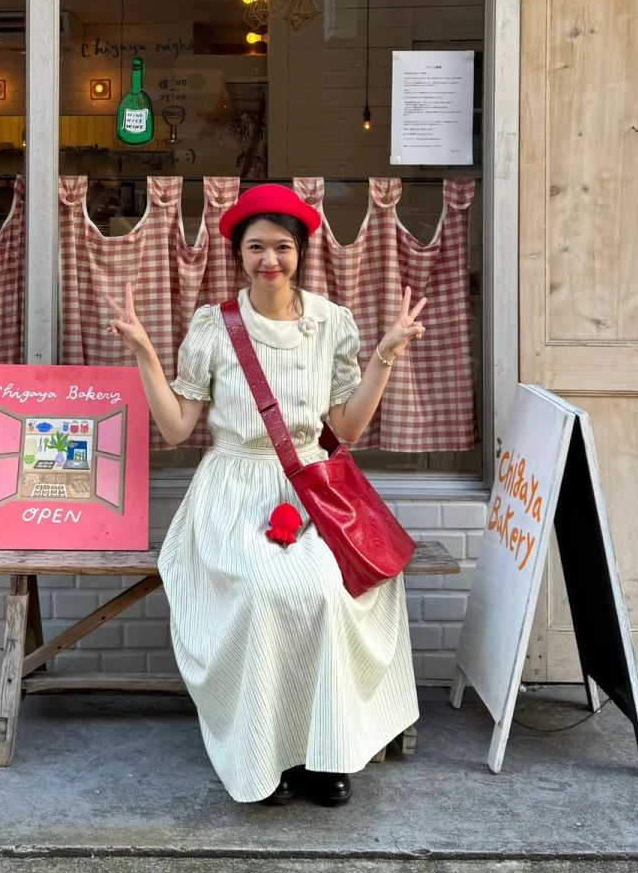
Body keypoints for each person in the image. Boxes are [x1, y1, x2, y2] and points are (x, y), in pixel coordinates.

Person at [106, 183, 426, 808]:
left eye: (282, 246)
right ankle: (265, 756)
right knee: (260, 593)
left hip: (311, 491)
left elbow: (347, 429)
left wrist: (384, 358)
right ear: (238, 253)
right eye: (256, 247)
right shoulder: (213, 326)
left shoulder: (332, 323)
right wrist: (145, 355)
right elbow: (177, 428)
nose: (269, 260)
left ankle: (323, 755)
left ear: (301, 251)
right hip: (231, 490)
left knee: (329, 593)